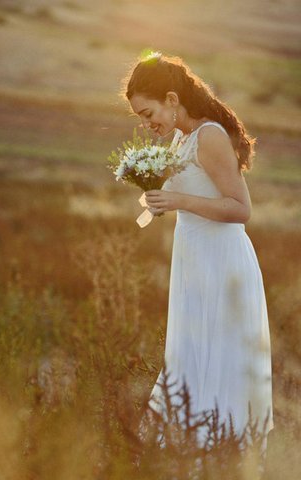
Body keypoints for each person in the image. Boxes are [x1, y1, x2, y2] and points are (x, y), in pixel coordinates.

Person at [122, 51, 274, 451]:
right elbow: (190, 194)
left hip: (222, 264)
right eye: (140, 116)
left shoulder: (209, 136)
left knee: (218, 359)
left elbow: (241, 209)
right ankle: (190, 451)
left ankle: (217, 455)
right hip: (193, 261)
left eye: (147, 112)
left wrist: (178, 202)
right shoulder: (180, 138)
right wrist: (155, 198)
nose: (146, 123)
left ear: (172, 99)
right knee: (192, 356)